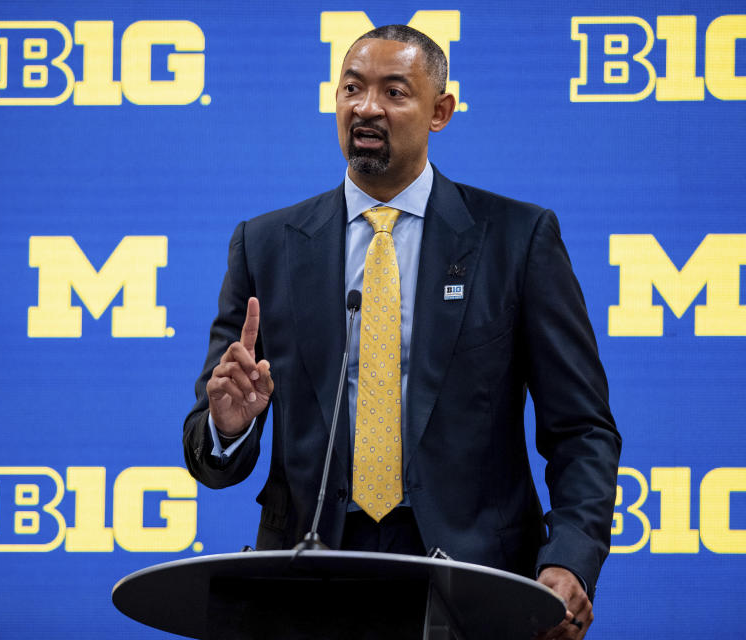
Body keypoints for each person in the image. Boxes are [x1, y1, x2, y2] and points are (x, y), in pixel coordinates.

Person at [183, 24, 621, 639]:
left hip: (475, 575)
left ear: (440, 111)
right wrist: (232, 425)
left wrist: (571, 558)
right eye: (353, 89)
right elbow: (213, 460)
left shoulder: (516, 240)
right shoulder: (266, 245)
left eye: (394, 92)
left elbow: (582, 430)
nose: (367, 108)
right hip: (308, 576)